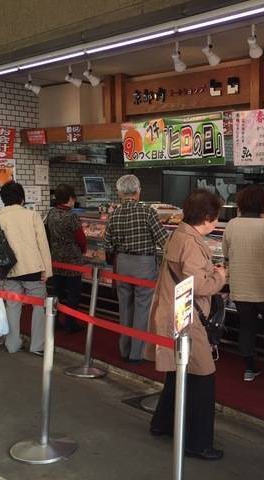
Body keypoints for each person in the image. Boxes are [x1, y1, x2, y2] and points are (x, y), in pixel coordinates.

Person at [147, 189, 226, 460]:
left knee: (178, 372)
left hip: (176, 310)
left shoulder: (178, 234)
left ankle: (163, 423)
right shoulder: (191, 243)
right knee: (203, 375)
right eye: (215, 217)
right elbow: (198, 285)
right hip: (187, 315)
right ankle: (196, 442)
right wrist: (220, 277)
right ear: (206, 217)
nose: (216, 222)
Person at [222, 186, 264, 382]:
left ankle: (250, 369)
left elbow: (226, 252)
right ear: (263, 204)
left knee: (247, 328)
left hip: (241, 288)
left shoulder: (232, 224)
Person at [104, 174, 169, 363]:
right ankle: (137, 353)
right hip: (144, 265)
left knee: (125, 307)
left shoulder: (114, 214)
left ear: (119, 193)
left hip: (123, 264)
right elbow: (164, 241)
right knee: (143, 308)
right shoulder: (148, 212)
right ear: (138, 191)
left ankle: (124, 349)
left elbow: (107, 245)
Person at [0, 182, 52, 354]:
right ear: (22, 199)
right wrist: (47, 270)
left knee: (12, 307)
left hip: (8, 270)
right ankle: (37, 346)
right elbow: (43, 244)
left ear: (3, 200)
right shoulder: (32, 216)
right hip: (33, 269)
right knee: (39, 307)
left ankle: (12, 344)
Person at [45, 184, 87, 333]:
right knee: (73, 294)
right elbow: (81, 239)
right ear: (70, 198)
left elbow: (47, 234)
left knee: (56, 292)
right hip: (72, 261)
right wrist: (83, 250)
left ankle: (54, 320)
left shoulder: (51, 213)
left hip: (56, 258)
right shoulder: (71, 216)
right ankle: (70, 323)